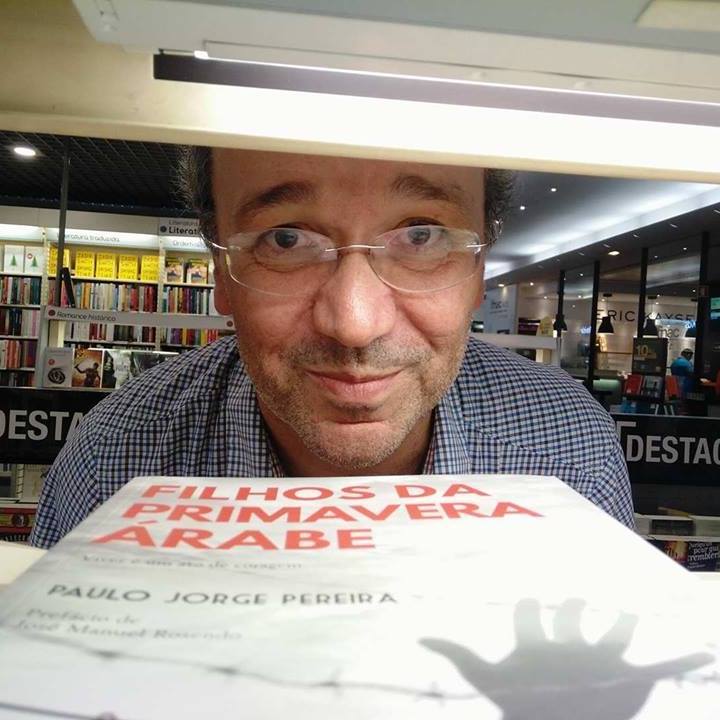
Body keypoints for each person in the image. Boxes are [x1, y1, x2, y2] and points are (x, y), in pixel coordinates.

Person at [29, 148, 633, 547]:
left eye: (421, 236)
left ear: (479, 272)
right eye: (286, 239)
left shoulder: (568, 452)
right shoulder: (115, 461)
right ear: (220, 272)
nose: (354, 325)